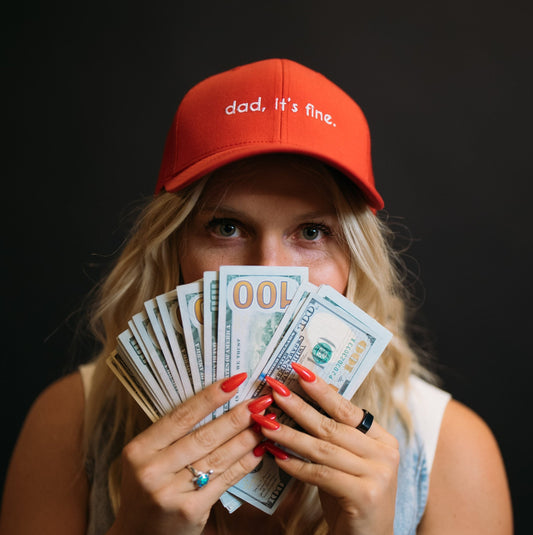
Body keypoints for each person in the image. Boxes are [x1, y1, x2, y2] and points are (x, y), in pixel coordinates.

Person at [0, 58, 512, 535]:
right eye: (227, 226)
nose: (268, 273)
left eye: (311, 233)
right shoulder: (71, 422)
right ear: (173, 248)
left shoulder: (451, 449)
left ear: (356, 258)